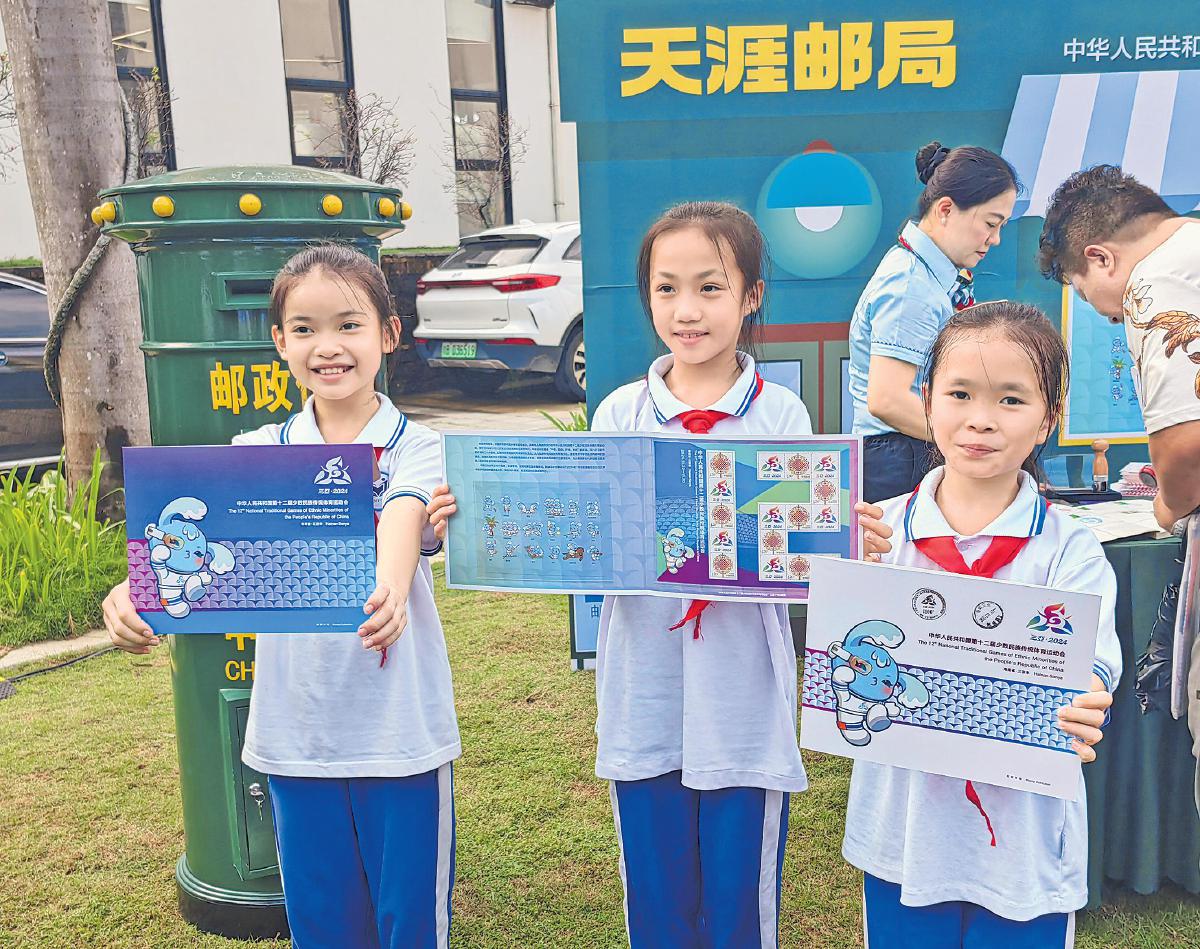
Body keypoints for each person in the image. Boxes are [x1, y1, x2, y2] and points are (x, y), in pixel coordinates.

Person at [429, 202, 813, 947]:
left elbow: (797, 556)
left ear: (752, 296)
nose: (687, 310)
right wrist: (484, 522)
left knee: (739, 905)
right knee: (657, 900)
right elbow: (581, 540)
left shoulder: (782, 417)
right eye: (666, 289)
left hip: (743, 702)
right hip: (645, 692)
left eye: (710, 287)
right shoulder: (618, 413)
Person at [103, 244, 458, 949]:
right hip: (295, 738)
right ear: (279, 342)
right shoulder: (258, 450)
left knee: (410, 923)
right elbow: (190, 545)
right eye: (304, 328)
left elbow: (404, 511)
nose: (328, 346)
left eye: (349, 325)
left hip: (401, 735)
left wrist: (389, 590)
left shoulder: (418, 446)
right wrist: (133, 593)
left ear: (389, 333)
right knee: (322, 925)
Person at [849, 302, 1119, 947]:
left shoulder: (1069, 549)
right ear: (926, 400)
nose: (981, 419)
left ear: (1049, 418)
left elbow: (1092, 662)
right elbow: (843, 660)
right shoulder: (877, 534)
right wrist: (845, 574)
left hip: (1024, 842)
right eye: (960, 394)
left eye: (1011, 400)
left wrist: (1086, 697)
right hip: (904, 831)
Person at [1038, 162, 1200, 835]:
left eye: (1085, 290)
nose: (1103, 312)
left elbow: (1186, 448)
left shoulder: (1154, 282)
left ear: (1101, 257)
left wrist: (1167, 504)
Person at [848, 141, 1019, 502]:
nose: (996, 239)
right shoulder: (910, 285)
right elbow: (888, 400)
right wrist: (968, 440)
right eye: (991, 223)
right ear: (946, 210)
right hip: (898, 457)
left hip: (908, 448)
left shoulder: (926, 276)